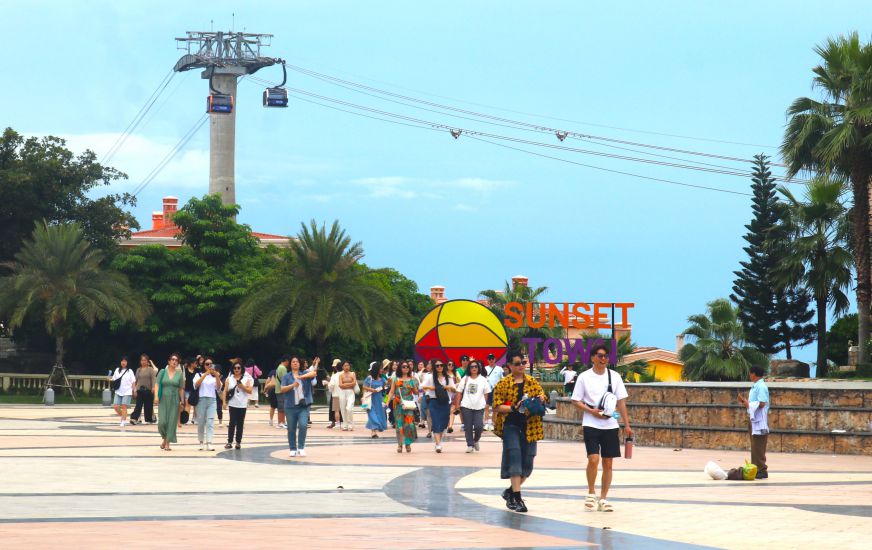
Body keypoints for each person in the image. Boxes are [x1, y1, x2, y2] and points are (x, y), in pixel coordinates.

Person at [570, 343, 633, 513]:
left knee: (608, 462)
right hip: (591, 423)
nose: (603, 359)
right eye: (599, 355)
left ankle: (604, 498)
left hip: (610, 425)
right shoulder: (584, 377)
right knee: (593, 459)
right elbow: (575, 400)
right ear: (592, 358)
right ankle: (591, 492)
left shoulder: (614, 377)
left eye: (605, 356)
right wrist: (591, 411)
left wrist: (626, 425)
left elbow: (621, 402)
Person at [492, 353, 546, 513]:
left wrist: (541, 398)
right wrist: (513, 408)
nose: (521, 366)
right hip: (511, 426)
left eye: (523, 362)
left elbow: (543, 395)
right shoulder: (503, 384)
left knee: (527, 465)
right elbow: (496, 405)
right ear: (509, 365)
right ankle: (517, 497)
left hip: (531, 426)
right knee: (514, 459)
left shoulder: (532, 382)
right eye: (517, 363)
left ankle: (509, 492)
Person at [279, 357, 316, 457]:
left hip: (303, 406)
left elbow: (313, 374)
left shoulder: (304, 374)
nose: (295, 363)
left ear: (299, 364)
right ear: (290, 364)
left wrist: (301, 377)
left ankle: (301, 447)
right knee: (291, 428)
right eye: (293, 362)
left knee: (303, 425)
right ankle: (292, 448)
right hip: (290, 406)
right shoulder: (287, 377)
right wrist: (292, 385)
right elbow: (282, 389)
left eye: (297, 362)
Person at [738, 365, 770, 479]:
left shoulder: (761, 386)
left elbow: (762, 403)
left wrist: (748, 404)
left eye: (750, 373)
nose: (749, 375)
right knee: (755, 445)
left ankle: (762, 469)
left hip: (759, 420)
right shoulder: (756, 386)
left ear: (754, 374)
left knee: (759, 445)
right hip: (754, 419)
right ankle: (756, 468)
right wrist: (746, 403)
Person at [456, 360, 492, 453]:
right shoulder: (465, 378)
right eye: (472, 367)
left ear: (478, 368)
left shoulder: (483, 379)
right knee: (468, 427)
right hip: (466, 406)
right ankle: (470, 445)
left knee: (479, 427)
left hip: (479, 407)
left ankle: (476, 440)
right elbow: (459, 392)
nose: (474, 368)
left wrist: (484, 403)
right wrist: (457, 404)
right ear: (469, 368)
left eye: (476, 366)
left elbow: (486, 393)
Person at [421, 360, 454, 452]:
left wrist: (449, 387)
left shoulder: (448, 378)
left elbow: (454, 389)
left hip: (445, 401)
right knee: (435, 421)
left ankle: (438, 442)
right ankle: (438, 444)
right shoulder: (430, 377)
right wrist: (431, 388)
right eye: (437, 365)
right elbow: (422, 386)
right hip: (433, 401)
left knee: (444, 423)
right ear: (434, 367)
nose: (439, 367)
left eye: (441, 365)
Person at [386, 361, 419, 452]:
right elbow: (391, 391)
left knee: (409, 424)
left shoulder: (412, 379)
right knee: (399, 425)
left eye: (407, 367)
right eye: (404, 366)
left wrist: (415, 387)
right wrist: (386, 401)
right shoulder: (396, 379)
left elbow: (416, 392)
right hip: (398, 404)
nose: (406, 368)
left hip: (408, 404)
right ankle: (400, 445)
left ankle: (407, 443)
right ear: (400, 368)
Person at [154, 354, 185, 451]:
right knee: (162, 422)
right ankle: (164, 438)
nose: (174, 361)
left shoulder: (180, 374)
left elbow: (181, 389)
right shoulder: (162, 372)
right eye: (172, 359)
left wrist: (182, 401)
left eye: (176, 360)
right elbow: (157, 384)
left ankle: (167, 443)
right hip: (163, 399)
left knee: (172, 422)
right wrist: (156, 396)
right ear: (169, 361)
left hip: (175, 399)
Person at [223, 361, 254, 449]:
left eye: (238, 368)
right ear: (232, 369)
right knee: (232, 423)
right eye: (235, 368)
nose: (236, 369)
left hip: (242, 404)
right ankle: (229, 441)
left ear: (241, 369)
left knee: (240, 423)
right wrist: (224, 402)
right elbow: (225, 390)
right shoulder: (229, 378)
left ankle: (238, 442)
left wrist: (243, 387)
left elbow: (250, 390)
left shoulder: (247, 378)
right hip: (232, 404)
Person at [193, 357, 221, 451]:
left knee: (210, 421)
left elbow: (218, 387)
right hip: (201, 400)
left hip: (212, 400)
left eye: (211, 364)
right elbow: (196, 385)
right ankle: (201, 441)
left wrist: (216, 375)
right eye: (207, 364)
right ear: (203, 365)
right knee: (201, 422)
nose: (209, 366)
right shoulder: (199, 374)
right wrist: (205, 374)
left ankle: (209, 442)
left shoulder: (214, 376)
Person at [363, 361, 388, 437]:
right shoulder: (369, 378)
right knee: (372, 414)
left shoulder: (382, 379)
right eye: (380, 368)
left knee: (379, 413)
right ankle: (374, 428)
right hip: (370, 399)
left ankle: (374, 431)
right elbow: (364, 387)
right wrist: (372, 390)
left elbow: (386, 387)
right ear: (376, 369)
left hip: (379, 399)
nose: (382, 370)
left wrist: (388, 383)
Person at [130, 354, 157, 425]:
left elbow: (153, 378)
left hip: (148, 390)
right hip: (140, 390)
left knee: (148, 406)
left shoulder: (150, 369)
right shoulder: (138, 370)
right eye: (142, 360)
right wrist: (134, 389)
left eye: (145, 360)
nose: (143, 362)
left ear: (147, 361)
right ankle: (134, 418)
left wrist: (153, 387)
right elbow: (135, 380)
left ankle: (149, 418)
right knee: (138, 405)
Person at [110, 356, 136, 427]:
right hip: (118, 391)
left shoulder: (130, 371)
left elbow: (133, 381)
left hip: (127, 391)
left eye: (125, 361)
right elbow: (114, 379)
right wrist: (109, 379)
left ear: (127, 362)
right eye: (122, 361)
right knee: (115, 406)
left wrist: (134, 390)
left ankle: (123, 421)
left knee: (124, 406)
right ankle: (124, 416)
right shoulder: (117, 370)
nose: (123, 362)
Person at [267, 355, 290, 429]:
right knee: (281, 407)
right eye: (288, 361)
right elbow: (285, 379)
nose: (288, 363)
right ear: (286, 360)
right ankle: (281, 422)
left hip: (278, 389)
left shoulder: (279, 367)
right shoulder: (283, 368)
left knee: (281, 406)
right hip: (281, 390)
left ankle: (282, 422)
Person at [337, 360, 358, 430]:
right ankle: (345, 425)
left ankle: (350, 424)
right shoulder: (341, 375)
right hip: (342, 392)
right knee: (343, 409)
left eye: (348, 365)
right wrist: (349, 384)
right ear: (342, 367)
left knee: (349, 408)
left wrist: (345, 384)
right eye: (345, 366)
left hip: (351, 392)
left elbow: (354, 383)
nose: (346, 367)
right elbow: (340, 385)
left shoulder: (352, 374)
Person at [484, 353, 502, 431]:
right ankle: (486, 423)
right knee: (486, 406)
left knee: (495, 407)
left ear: (495, 359)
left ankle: (494, 423)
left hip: (496, 389)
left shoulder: (499, 369)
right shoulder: (485, 368)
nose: (491, 360)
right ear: (487, 360)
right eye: (489, 359)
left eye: (492, 358)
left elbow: (502, 379)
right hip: (487, 389)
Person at [326, 359, 343, 429]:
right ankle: (339, 422)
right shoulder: (343, 374)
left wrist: (328, 383)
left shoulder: (335, 375)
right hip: (343, 394)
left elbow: (331, 385)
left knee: (336, 410)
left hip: (335, 394)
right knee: (342, 409)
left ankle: (337, 423)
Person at [445, 361, 460, 434]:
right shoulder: (444, 374)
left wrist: (455, 385)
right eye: (449, 364)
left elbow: (460, 382)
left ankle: (450, 426)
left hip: (454, 393)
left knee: (452, 410)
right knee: (447, 411)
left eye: (452, 365)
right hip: (446, 394)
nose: (451, 366)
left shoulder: (456, 374)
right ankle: (448, 425)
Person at [183, 358, 199, 424]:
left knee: (196, 405)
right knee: (187, 404)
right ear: (192, 363)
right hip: (187, 389)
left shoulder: (197, 371)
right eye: (195, 363)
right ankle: (186, 419)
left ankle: (194, 418)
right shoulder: (185, 370)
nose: (196, 364)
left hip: (195, 390)